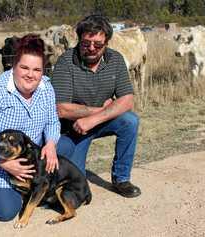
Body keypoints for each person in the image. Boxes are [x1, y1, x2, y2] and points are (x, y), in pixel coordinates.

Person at [0, 34, 60, 221]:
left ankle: (40, 187)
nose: (30, 74)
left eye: (37, 69)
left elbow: (52, 121)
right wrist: (2, 162)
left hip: (28, 152)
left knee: (65, 146)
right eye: (24, 67)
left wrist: (51, 143)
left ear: (43, 70)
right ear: (13, 66)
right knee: (7, 212)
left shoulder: (46, 87)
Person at [51, 15, 141, 198]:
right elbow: (61, 108)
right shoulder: (66, 62)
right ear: (79, 40)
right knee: (75, 193)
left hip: (98, 122)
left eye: (98, 45)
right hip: (73, 129)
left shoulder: (115, 60)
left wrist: (93, 119)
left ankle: (121, 179)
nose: (92, 48)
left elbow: (127, 100)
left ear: (107, 42)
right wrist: (104, 109)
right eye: (86, 43)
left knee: (130, 121)